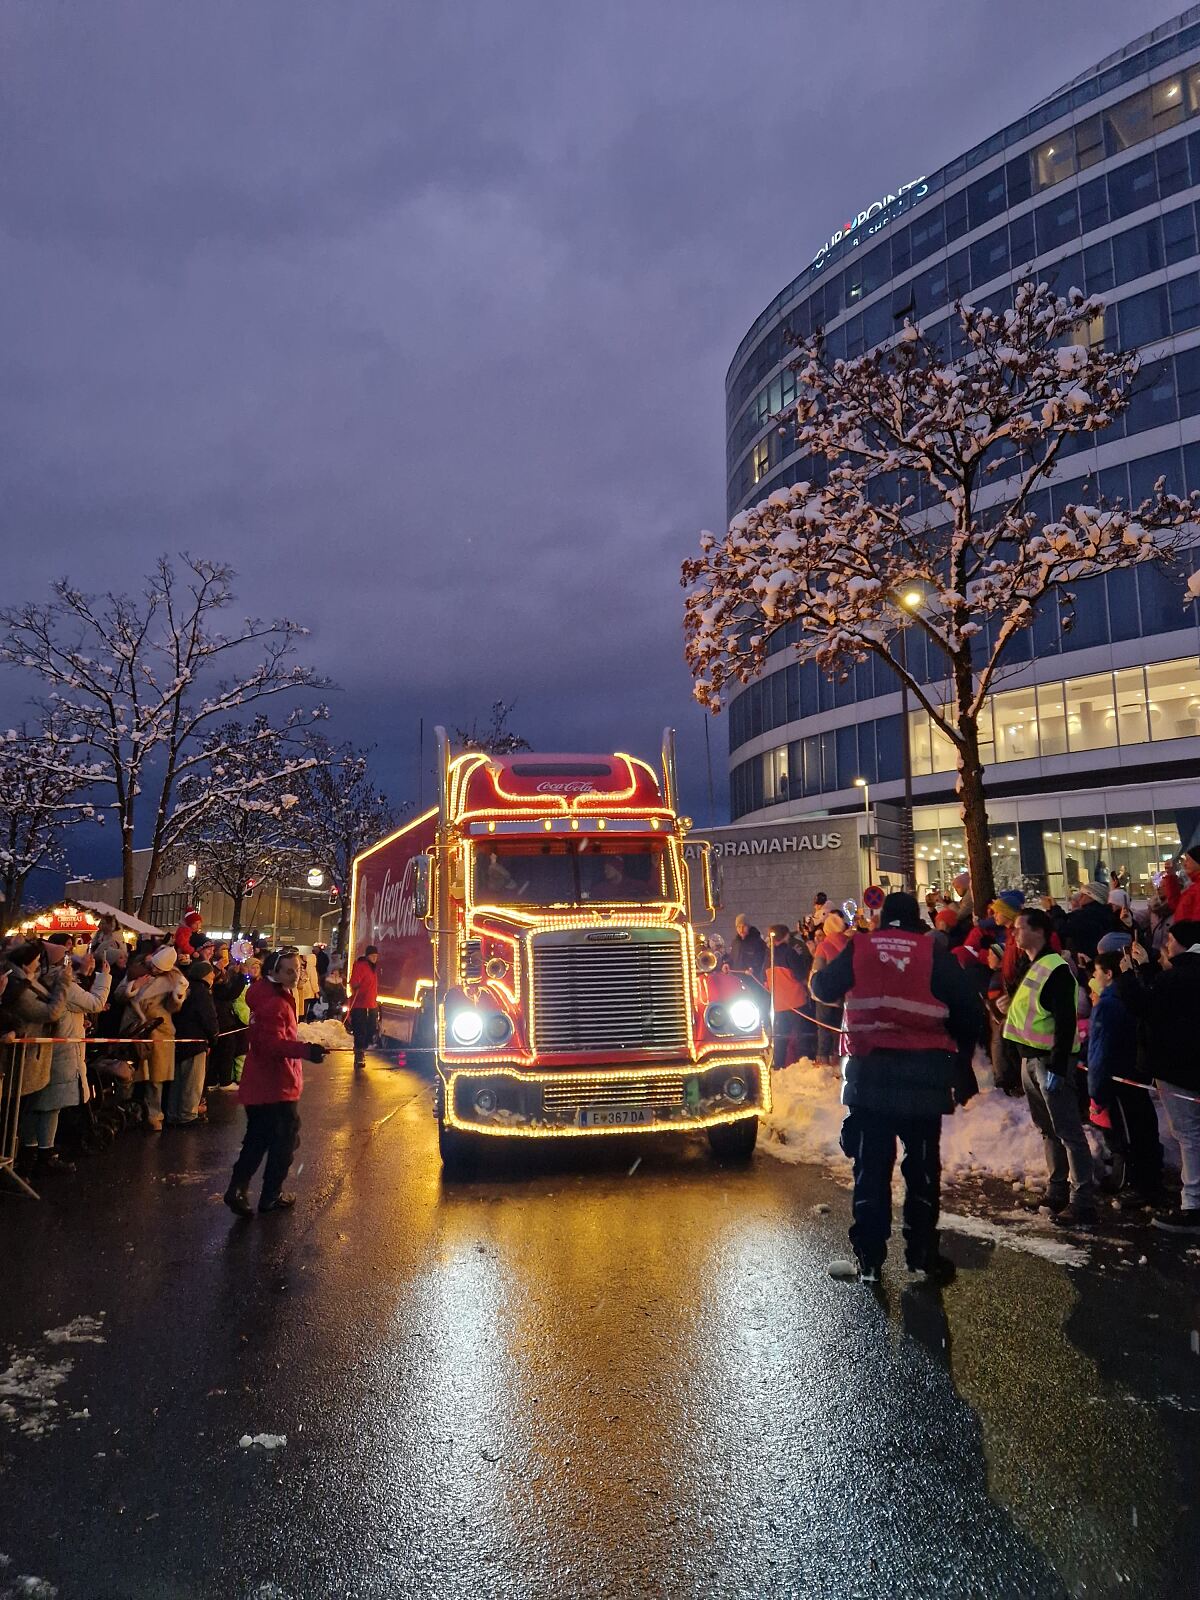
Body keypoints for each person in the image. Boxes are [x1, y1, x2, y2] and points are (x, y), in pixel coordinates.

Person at [811, 891, 981, 1284]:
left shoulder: (861, 947)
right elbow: (968, 1010)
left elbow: (822, 988)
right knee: (921, 1171)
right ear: (918, 919)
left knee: (871, 1169)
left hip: (870, 1079)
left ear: (882, 918)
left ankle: (869, 1258)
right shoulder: (932, 952)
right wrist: (959, 1058)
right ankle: (921, 1255)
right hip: (924, 1081)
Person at [1005, 908, 1097, 1226]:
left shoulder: (1055, 967)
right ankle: (1057, 1191)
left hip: (1048, 1062)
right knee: (1049, 1130)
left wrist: (1058, 1065)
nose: (1014, 932)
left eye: (1019, 927)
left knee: (1067, 1131)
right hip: (1032, 1059)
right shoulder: (1034, 965)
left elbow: (1065, 1020)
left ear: (1039, 931)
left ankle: (1082, 1200)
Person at [224, 949, 326, 1217]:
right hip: (275, 1085)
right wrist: (306, 1051)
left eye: (298, 970)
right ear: (275, 972)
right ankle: (270, 1193)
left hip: (263, 1084)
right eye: (290, 971)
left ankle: (239, 1189)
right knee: (283, 1140)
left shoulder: (272, 996)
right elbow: (270, 1044)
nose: (297, 975)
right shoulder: (274, 1003)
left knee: (259, 1139)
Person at [1087, 945, 1163, 1209]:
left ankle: (1137, 1185)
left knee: (1128, 1134)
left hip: (1119, 1077)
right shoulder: (1134, 995)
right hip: (1136, 1074)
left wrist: (1095, 1090)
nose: (1094, 979)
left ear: (1108, 973)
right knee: (1143, 1128)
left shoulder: (1109, 1003)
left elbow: (1100, 1049)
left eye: (1096, 973)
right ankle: (1147, 1182)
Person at [1141, 920, 1200, 1234]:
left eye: (1170, 939)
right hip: (1187, 1069)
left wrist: (1135, 973)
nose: (1166, 945)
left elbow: (1145, 1009)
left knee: (1189, 1136)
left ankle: (1193, 1206)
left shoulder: (1173, 980)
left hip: (1177, 1071)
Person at [6, 940, 70, 1176]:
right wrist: (64, 981)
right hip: (23, 1061)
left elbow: (40, 989)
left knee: (25, 1111)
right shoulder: (17, 988)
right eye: (35, 961)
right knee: (16, 1115)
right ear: (26, 963)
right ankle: (15, 1163)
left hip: (34, 1060)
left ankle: (22, 1160)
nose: (37, 965)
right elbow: (50, 1011)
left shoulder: (25, 981)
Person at [120, 944, 187, 1132]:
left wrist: (178, 996)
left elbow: (174, 1007)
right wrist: (134, 987)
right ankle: (125, 1112)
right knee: (128, 1072)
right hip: (134, 1028)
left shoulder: (174, 979)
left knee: (155, 1078)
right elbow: (119, 994)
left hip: (158, 1030)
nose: (155, 971)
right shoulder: (137, 970)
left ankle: (154, 1115)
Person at [167, 960, 219, 1125]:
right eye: (211, 975)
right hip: (196, 1041)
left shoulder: (185, 988)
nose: (213, 979)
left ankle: (173, 1113)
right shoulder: (202, 992)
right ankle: (188, 1114)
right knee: (192, 1081)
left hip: (179, 1038)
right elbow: (208, 1018)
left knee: (177, 1080)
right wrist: (213, 1037)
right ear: (205, 975)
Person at [764, 926, 809, 1070]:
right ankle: (803, 1062)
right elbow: (800, 974)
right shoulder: (790, 953)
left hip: (778, 1002)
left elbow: (763, 977)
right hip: (795, 1000)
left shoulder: (768, 956)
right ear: (784, 936)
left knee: (781, 1035)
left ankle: (779, 1063)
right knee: (800, 1033)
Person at [811, 909, 850, 1067]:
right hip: (845, 993)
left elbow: (817, 970)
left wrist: (813, 989)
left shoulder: (824, 946)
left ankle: (823, 1059)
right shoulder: (850, 944)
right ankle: (838, 1056)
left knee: (823, 1027)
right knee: (840, 1028)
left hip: (826, 994)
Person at [1063, 881, 1117, 961]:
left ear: (1092, 897)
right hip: (1100, 960)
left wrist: (1053, 909)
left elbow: (1062, 928)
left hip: (1086, 960)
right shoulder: (1107, 913)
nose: (1080, 896)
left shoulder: (1085, 916)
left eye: (1083, 894)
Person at [348, 945, 380, 1069]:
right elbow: (354, 981)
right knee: (360, 1031)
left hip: (371, 1004)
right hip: (360, 1004)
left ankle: (362, 1048)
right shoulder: (361, 966)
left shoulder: (373, 968)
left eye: (376, 956)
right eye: (372, 956)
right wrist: (356, 985)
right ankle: (359, 1054)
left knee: (371, 1029)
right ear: (367, 956)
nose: (374, 958)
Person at [729, 915, 767, 983]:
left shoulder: (758, 942)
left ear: (748, 927)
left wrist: (753, 968)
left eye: (744, 926)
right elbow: (731, 958)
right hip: (737, 980)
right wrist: (727, 964)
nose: (741, 929)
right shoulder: (735, 943)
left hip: (753, 980)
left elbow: (762, 959)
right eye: (739, 927)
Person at [1172, 845, 1200, 924]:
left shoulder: (1197, 889)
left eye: (1188, 860)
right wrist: (1170, 877)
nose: (1184, 864)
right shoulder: (1193, 886)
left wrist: (1180, 934)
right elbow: (1176, 905)